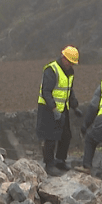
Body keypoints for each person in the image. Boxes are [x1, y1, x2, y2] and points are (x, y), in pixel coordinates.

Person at [36, 46, 80, 177]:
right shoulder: (52, 70)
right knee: (50, 137)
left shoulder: (70, 72)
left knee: (66, 135)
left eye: (73, 63)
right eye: (70, 61)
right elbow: (46, 92)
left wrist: (74, 106)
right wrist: (54, 109)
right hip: (49, 109)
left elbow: (68, 91)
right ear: (63, 58)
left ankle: (60, 160)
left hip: (63, 109)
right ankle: (49, 164)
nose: (71, 64)